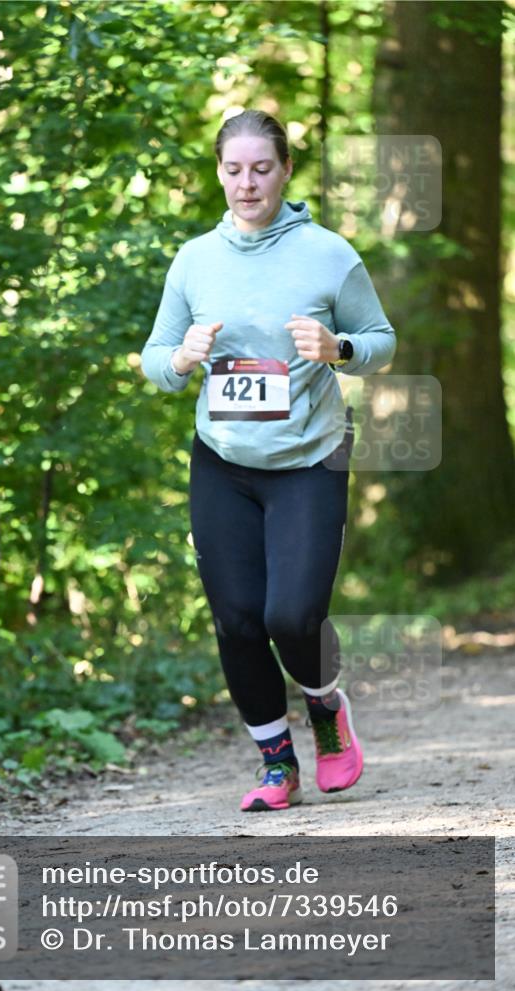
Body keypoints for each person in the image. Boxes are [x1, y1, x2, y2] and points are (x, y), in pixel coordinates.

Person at [140, 109, 396, 812]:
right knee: (237, 620)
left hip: (310, 460)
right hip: (222, 460)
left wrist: (337, 349)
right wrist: (182, 358)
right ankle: (275, 763)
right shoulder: (194, 259)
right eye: (232, 169)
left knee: (292, 614)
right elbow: (154, 360)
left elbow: (379, 338)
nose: (246, 184)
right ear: (218, 172)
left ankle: (323, 706)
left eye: (261, 168)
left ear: (285, 170)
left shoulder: (328, 254)